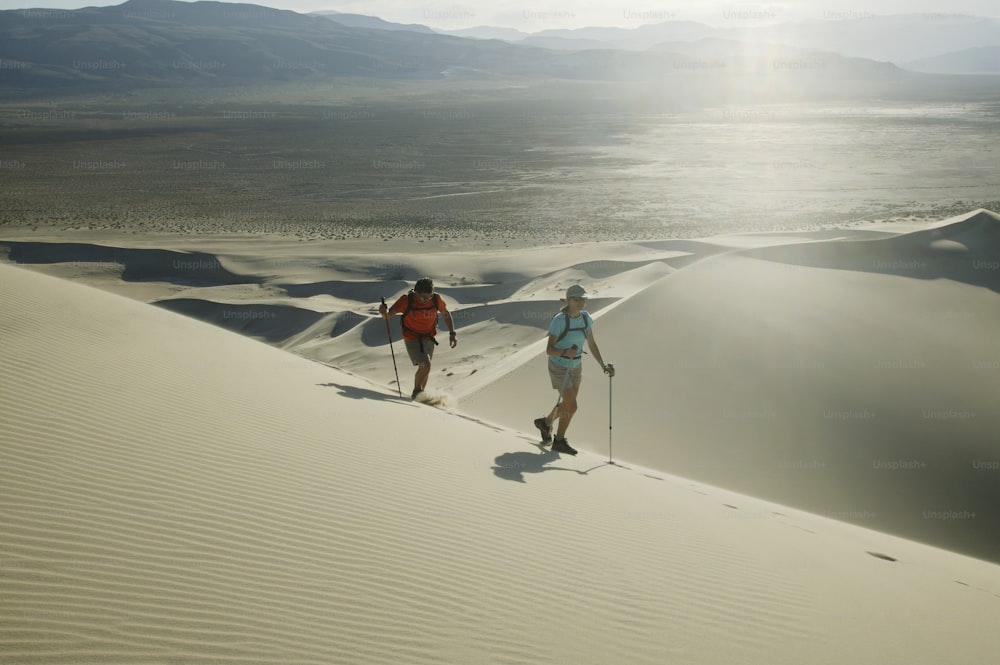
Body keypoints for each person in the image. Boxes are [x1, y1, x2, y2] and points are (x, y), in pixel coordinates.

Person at [534, 284, 614, 455]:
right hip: (559, 366)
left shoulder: (585, 318)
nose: (580, 302)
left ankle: (546, 423)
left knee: (567, 405)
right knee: (573, 406)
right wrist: (564, 352)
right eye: (576, 299)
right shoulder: (559, 320)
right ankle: (559, 441)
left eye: (583, 299)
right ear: (569, 300)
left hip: (576, 366)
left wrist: (603, 365)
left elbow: (591, 343)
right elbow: (549, 349)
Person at [379, 277, 457, 400]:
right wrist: (383, 312)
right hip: (412, 337)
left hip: (429, 337)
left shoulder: (436, 299)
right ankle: (416, 395)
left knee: (426, 367)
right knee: (426, 365)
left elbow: (445, 313)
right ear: (415, 292)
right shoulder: (406, 300)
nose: (426, 300)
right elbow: (388, 316)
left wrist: (452, 333)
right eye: (422, 297)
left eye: (429, 297)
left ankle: (422, 396)